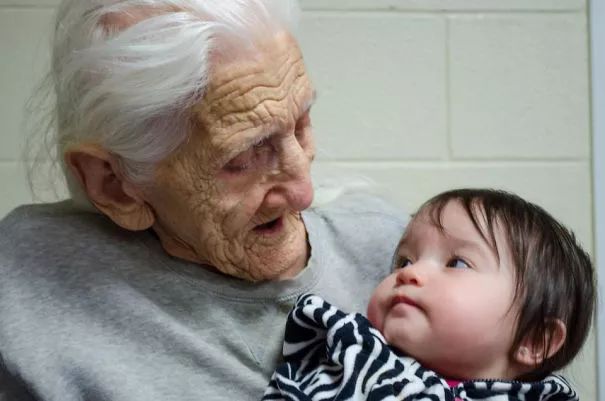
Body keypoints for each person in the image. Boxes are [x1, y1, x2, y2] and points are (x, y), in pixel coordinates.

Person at [0, 1, 406, 400]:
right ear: (114, 183)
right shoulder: (23, 283)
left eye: (300, 124)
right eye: (244, 157)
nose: (304, 192)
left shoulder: (402, 252)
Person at [263, 189, 595, 401]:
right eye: (404, 260)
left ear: (535, 340)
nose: (409, 273)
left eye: (457, 263)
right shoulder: (352, 362)